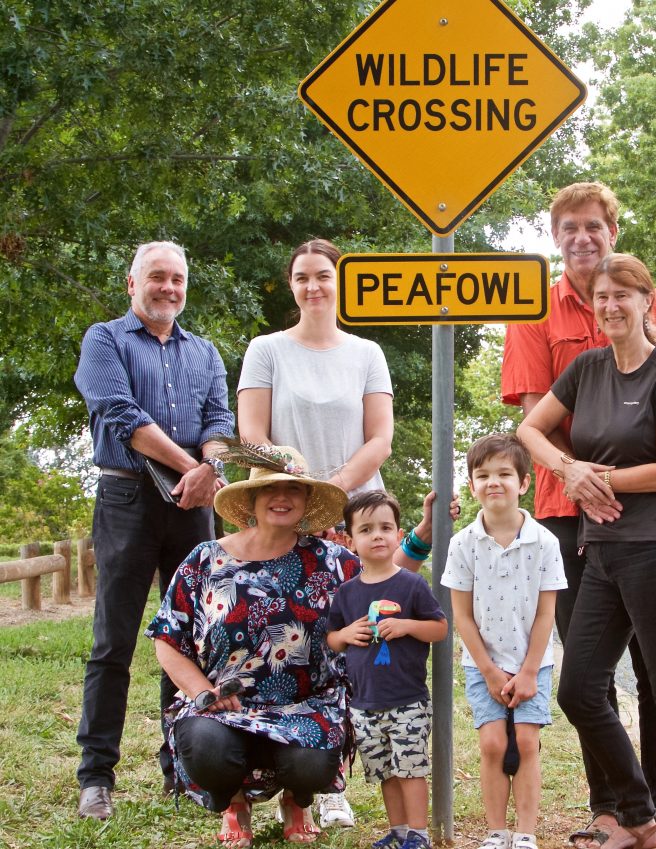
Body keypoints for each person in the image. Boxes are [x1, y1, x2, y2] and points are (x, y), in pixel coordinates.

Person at [501, 182, 656, 843]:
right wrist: (576, 474)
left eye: (594, 225)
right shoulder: (537, 313)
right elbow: (537, 411)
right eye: (569, 227)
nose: (582, 237)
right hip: (571, 515)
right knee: (587, 674)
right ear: (555, 236)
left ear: (612, 231)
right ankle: (616, 809)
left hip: (649, 519)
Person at [73, 240, 235, 820]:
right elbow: (121, 414)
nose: (169, 288)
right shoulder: (105, 340)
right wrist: (193, 467)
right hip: (127, 496)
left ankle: (181, 767)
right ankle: (97, 776)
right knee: (114, 639)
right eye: (157, 278)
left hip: (195, 504)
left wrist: (212, 467)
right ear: (132, 284)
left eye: (178, 279)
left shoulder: (206, 351)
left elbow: (220, 420)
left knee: (189, 639)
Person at [237, 237, 393, 827]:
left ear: (340, 281)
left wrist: (334, 499)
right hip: (281, 510)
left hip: (353, 515)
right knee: (284, 642)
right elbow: (251, 433)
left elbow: (379, 438)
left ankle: (328, 782)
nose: (313, 287)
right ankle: (265, 773)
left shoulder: (367, 352)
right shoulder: (267, 349)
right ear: (292, 285)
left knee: (347, 643)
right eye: (302, 277)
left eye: (323, 276)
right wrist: (295, 477)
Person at [146, 444, 357, 847]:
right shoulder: (204, 560)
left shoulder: (335, 561)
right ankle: (234, 803)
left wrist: (421, 536)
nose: (282, 498)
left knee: (312, 763)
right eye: (271, 490)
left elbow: (385, 581)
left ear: (308, 500)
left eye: (294, 490)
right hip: (224, 707)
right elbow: (167, 639)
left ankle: (298, 800)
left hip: (306, 706)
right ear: (253, 500)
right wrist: (201, 693)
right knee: (206, 748)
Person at [440, 434, 568, 849]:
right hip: (482, 665)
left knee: (527, 742)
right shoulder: (462, 544)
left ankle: (525, 833)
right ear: (472, 485)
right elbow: (461, 614)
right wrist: (491, 672)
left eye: (504, 474)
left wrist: (530, 670)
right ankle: (497, 832)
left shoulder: (546, 542)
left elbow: (547, 613)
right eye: (483, 475)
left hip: (534, 662)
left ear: (524, 483)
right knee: (493, 743)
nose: (493, 482)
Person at [327, 490, 448, 849]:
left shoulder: (411, 583)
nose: (377, 535)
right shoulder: (346, 593)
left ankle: (419, 834)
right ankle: (397, 831)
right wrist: (346, 634)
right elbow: (332, 638)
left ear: (399, 533)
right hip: (364, 702)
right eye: (366, 529)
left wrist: (408, 626)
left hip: (407, 699)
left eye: (385, 527)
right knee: (385, 773)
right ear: (350, 540)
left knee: (410, 769)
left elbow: (440, 628)